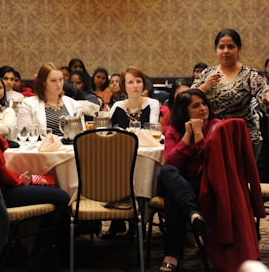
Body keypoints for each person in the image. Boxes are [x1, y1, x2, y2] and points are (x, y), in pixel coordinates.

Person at [0, 84, 71, 268]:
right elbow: (1, 175)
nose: (0, 107)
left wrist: (19, 178)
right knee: (62, 196)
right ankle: (42, 255)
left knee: (49, 188)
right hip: (0, 196)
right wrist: (21, 180)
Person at [158, 88, 219, 271]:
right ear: (184, 111)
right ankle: (194, 213)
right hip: (179, 178)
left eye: (204, 103)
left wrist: (199, 135)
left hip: (203, 180)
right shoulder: (174, 131)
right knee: (167, 171)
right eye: (196, 106)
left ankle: (171, 256)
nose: (203, 108)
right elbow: (172, 162)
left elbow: (211, 164)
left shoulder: (217, 126)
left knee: (173, 200)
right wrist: (187, 136)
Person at [191, 28, 269, 157]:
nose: (226, 51)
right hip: (212, 136)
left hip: (242, 137)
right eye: (221, 47)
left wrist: (267, 97)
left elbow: (263, 91)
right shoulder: (207, 74)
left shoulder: (249, 75)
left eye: (231, 47)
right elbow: (189, 99)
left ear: (238, 50)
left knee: (240, 177)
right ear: (216, 50)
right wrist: (205, 87)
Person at [105, 66, 160, 238]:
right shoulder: (118, 106)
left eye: (138, 81)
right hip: (121, 155)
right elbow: (107, 131)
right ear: (124, 86)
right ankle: (119, 220)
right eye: (131, 82)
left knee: (139, 175)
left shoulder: (152, 104)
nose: (135, 85)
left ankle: (137, 224)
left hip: (145, 153)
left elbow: (151, 131)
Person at [17, 62, 83, 136]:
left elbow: (81, 135)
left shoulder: (73, 104)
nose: (59, 84)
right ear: (43, 82)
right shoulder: (28, 104)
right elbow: (23, 135)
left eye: (61, 79)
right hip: (40, 146)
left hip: (68, 146)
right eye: (53, 81)